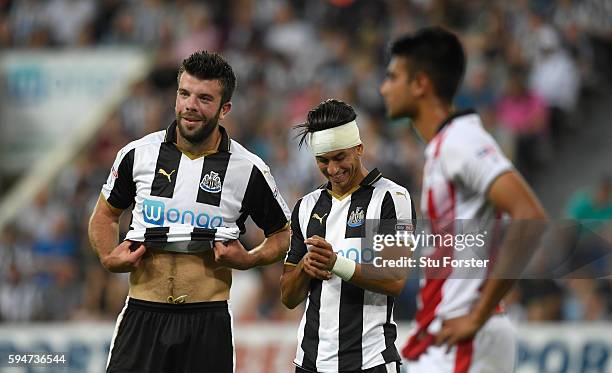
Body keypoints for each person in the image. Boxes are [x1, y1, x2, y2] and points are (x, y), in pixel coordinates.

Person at [88, 51, 291, 373]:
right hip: (143, 313)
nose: (190, 106)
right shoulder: (138, 155)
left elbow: (283, 235)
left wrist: (250, 259)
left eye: (204, 98)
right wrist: (107, 256)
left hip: (207, 321)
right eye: (184, 94)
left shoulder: (248, 169)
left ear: (225, 109)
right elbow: (105, 215)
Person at [380, 27, 548, 372]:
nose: (384, 88)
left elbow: (529, 216)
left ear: (420, 84)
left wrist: (477, 315)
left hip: (464, 337)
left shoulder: (461, 141)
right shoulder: (443, 146)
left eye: (393, 76)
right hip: (449, 335)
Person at [281, 99, 416, 373]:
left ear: (359, 148)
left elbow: (395, 279)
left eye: (340, 158)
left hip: (370, 362)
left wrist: (336, 264)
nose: (332, 169)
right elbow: (288, 296)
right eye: (323, 160)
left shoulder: (391, 198)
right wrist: (306, 267)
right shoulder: (306, 207)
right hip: (310, 363)